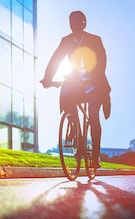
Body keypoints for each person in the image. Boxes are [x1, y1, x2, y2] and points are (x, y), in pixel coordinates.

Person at [40, 11, 111, 168]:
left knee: (93, 116)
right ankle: (76, 133)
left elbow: (102, 63)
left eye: (77, 21)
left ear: (84, 23)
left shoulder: (95, 40)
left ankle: (95, 156)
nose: (73, 24)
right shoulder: (66, 41)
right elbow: (56, 59)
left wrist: (93, 78)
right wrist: (47, 78)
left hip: (95, 84)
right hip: (76, 83)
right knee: (67, 98)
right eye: (71, 21)